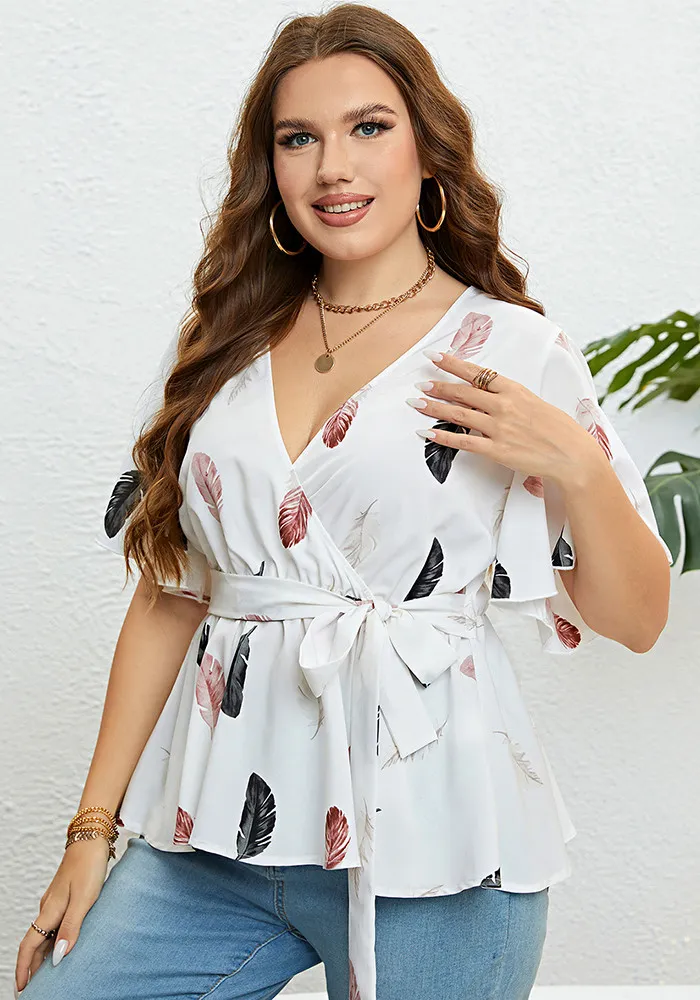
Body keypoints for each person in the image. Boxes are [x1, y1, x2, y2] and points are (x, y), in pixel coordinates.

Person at [14, 4, 673, 999]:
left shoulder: (510, 349)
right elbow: (169, 594)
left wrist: (576, 467)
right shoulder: (222, 346)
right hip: (216, 837)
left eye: (369, 127)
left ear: (427, 151)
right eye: (298, 138)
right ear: (270, 169)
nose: (334, 167)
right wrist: (91, 831)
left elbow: (637, 620)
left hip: (439, 844)